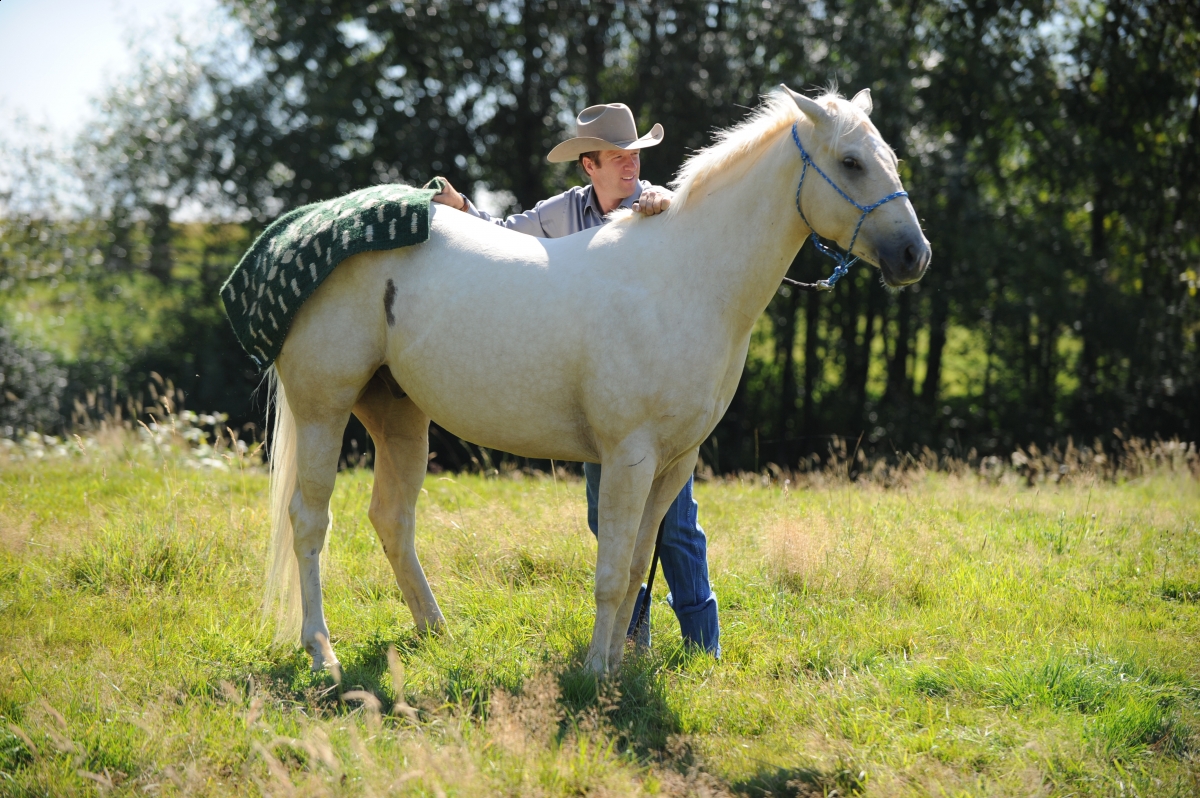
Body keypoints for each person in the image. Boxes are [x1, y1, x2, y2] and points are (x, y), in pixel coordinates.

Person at [431, 103, 720, 657]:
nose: (630, 166)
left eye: (634, 155)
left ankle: (703, 646)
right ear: (589, 164)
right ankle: (631, 637)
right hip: (597, 390)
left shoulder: (662, 207)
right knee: (605, 516)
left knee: (677, 524)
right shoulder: (562, 212)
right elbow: (500, 242)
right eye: (617, 157)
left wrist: (671, 208)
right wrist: (463, 206)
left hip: (655, 396)